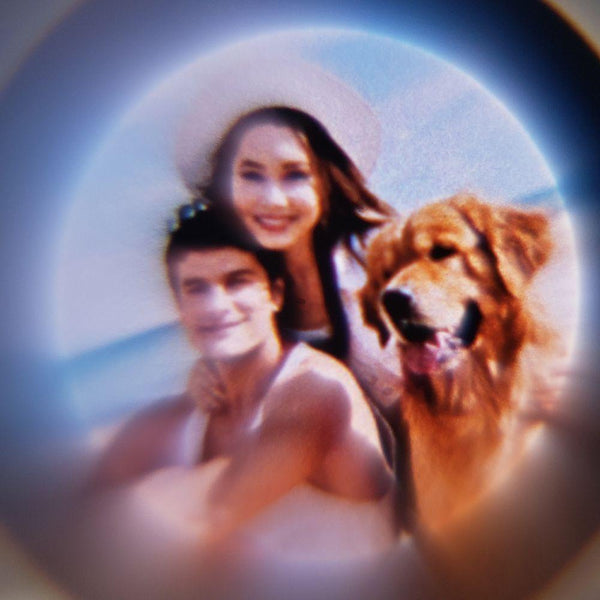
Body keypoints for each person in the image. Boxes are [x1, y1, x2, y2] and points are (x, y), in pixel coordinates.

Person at [85, 206, 398, 571]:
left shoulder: (315, 390)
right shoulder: (190, 411)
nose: (216, 305)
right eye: (196, 288)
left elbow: (204, 516)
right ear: (180, 307)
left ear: (275, 294)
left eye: (237, 281)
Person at [179, 106, 405, 469]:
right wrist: (206, 382)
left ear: (325, 181)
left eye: (295, 175)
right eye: (251, 175)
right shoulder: (236, 287)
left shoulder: (384, 255)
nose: (273, 199)